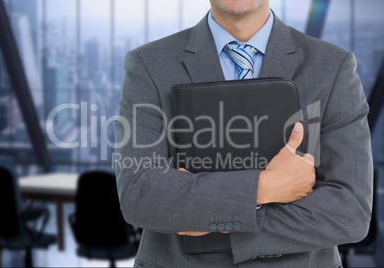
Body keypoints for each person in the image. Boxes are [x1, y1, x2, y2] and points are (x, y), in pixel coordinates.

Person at [114, 0, 373, 267]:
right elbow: (140, 194)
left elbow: (350, 212)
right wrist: (265, 187)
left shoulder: (332, 66)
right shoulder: (149, 64)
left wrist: (218, 221)